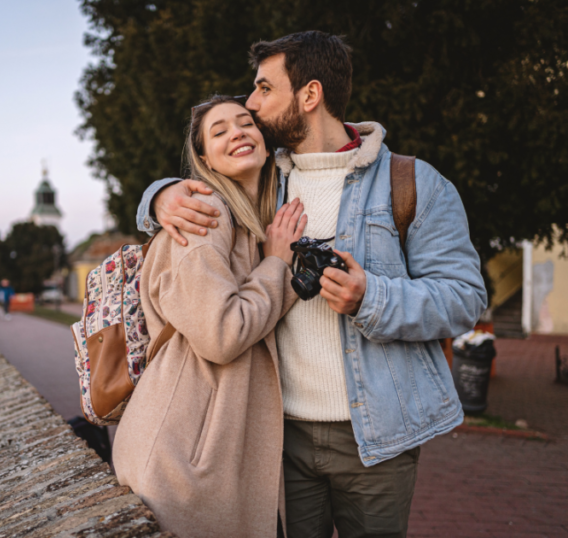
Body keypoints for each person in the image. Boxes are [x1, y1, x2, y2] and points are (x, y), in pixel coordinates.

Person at [136, 31, 487, 538]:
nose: (251, 106)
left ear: (309, 95)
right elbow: (202, 193)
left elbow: (465, 299)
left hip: (378, 440)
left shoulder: (413, 183)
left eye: (262, 90)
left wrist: (374, 298)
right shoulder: (261, 185)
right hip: (279, 440)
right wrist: (159, 196)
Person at [113, 95, 306, 538]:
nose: (238, 132)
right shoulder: (205, 215)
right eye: (219, 131)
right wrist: (277, 266)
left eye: (246, 124)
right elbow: (222, 335)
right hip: (183, 461)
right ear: (203, 158)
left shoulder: (252, 222)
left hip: (208, 449)